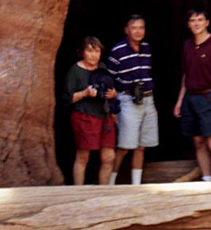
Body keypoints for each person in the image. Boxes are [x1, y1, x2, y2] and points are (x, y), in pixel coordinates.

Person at [173, 8, 211, 180]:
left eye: (200, 20)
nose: (196, 23)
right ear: (188, 24)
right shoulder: (187, 46)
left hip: (210, 97)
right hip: (190, 98)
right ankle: (207, 180)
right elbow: (186, 75)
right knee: (198, 142)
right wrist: (179, 101)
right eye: (192, 20)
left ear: (207, 22)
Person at [107, 14, 159, 185]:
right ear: (126, 30)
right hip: (128, 100)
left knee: (141, 146)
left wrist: (153, 105)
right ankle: (110, 184)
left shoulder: (146, 48)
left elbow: (148, 75)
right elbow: (109, 80)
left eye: (141, 27)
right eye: (134, 28)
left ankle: (136, 185)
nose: (138, 31)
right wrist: (114, 109)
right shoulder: (118, 51)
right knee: (124, 147)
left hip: (147, 100)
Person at [62, 36, 118, 185]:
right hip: (84, 116)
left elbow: (111, 90)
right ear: (82, 53)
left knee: (109, 157)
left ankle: (103, 192)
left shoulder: (102, 67)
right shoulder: (75, 70)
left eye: (97, 51)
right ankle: (79, 192)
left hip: (104, 117)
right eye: (89, 51)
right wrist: (84, 93)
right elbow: (67, 98)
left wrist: (113, 94)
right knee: (83, 157)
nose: (94, 55)